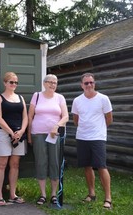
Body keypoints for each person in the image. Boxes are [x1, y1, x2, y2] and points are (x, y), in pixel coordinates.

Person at [71, 73, 113, 209]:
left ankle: (108, 198)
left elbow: (109, 118)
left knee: (101, 166)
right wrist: (85, 129)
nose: (89, 85)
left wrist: (99, 130)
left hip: (98, 138)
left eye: (91, 82)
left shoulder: (103, 99)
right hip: (82, 137)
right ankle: (91, 194)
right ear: (81, 85)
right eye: (86, 83)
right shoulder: (77, 100)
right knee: (87, 166)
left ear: (94, 83)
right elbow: (76, 120)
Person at [27, 74, 69, 206]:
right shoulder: (37, 96)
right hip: (38, 133)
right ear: (44, 83)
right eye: (50, 82)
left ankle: (53, 194)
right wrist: (29, 134)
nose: (52, 84)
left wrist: (57, 126)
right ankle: (43, 194)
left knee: (54, 162)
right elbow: (30, 116)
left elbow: (66, 116)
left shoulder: (59, 98)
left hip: (54, 135)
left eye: (55, 82)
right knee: (41, 162)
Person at [0, 71, 28, 206]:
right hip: (3, 134)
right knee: (1, 164)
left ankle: (12, 194)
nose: (14, 84)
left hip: (19, 135)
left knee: (15, 164)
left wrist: (21, 131)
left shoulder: (20, 98)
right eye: (11, 82)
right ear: (5, 83)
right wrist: (11, 132)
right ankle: (0, 195)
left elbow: (25, 117)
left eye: (16, 82)